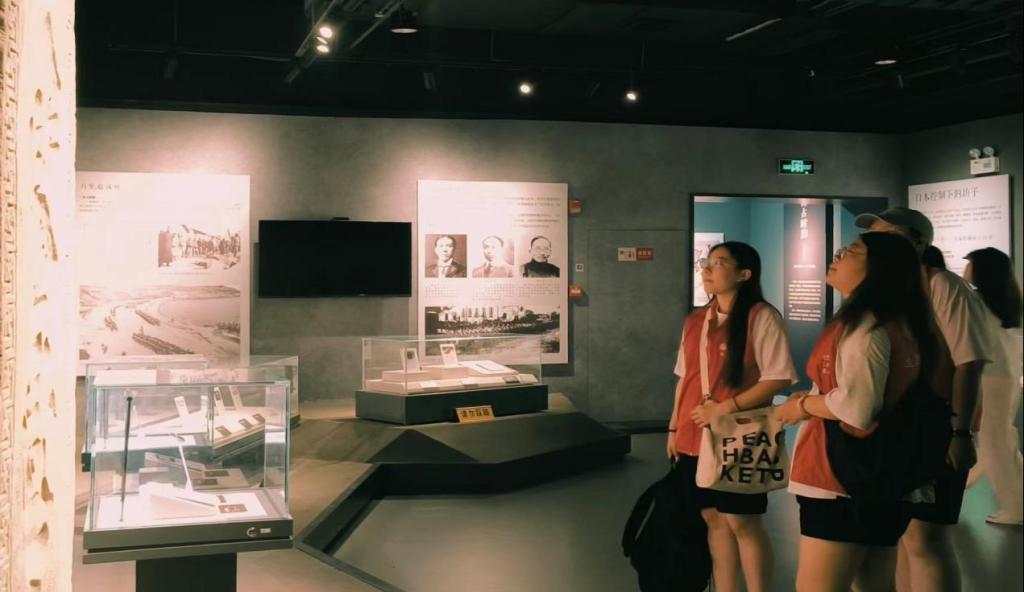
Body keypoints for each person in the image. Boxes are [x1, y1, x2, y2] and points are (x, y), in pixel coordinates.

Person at [776, 232, 940, 591]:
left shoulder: (865, 325)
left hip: (843, 477)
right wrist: (818, 396)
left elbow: (857, 408)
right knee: (874, 583)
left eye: (850, 252)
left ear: (877, 268)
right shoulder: (901, 322)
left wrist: (801, 406)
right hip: (884, 475)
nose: (837, 257)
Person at [854, 206, 991, 592]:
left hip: (935, 423)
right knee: (902, 533)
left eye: (884, 235)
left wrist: (960, 432)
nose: (873, 244)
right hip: (896, 427)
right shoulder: (886, 291)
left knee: (925, 535)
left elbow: (969, 362)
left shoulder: (942, 285)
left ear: (916, 243)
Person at [667, 241, 797, 592]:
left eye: (720, 262)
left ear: (744, 274)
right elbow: (685, 377)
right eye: (707, 262)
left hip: (738, 436)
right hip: (694, 435)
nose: (707, 269)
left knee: (743, 521)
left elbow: (779, 377)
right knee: (712, 518)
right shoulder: (696, 320)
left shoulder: (761, 317)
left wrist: (725, 408)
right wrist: (674, 427)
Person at [963, 247, 1023, 526]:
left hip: (989, 376)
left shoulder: (975, 301)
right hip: (1007, 376)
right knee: (1002, 441)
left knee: (995, 444)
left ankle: (1015, 510)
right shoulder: (1008, 300)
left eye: (970, 263)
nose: (965, 268)